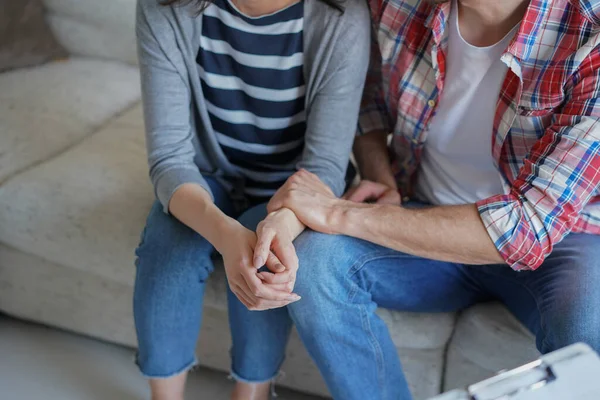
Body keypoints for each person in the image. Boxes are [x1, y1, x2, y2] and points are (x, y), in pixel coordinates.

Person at [257, 0, 600, 398]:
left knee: (589, 325)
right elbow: (366, 100)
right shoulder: (394, 4)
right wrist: (379, 173)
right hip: (423, 212)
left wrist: (338, 213)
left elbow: (526, 231)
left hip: (564, 239)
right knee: (315, 264)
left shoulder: (589, 37)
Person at [132, 0, 370, 398]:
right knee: (166, 248)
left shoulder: (341, 16)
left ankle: (252, 394)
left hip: (293, 187)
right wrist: (225, 234)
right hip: (204, 178)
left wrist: (282, 225)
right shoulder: (165, 7)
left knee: (269, 257)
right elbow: (168, 158)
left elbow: (324, 167)